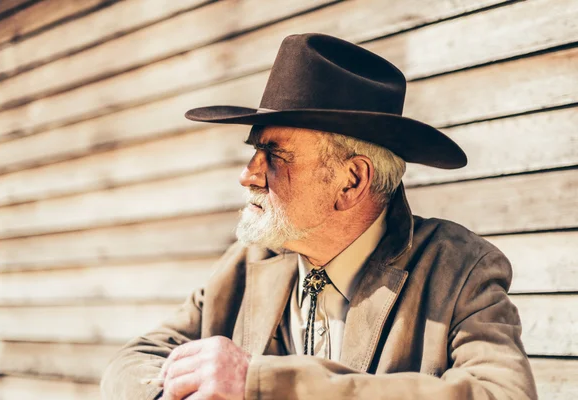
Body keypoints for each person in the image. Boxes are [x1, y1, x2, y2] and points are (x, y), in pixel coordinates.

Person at [101, 33, 537, 400]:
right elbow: (133, 362)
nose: (247, 175)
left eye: (273, 154)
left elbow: (503, 393)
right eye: (254, 151)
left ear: (351, 181)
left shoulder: (458, 270)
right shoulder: (249, 263)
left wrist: (261, 385)